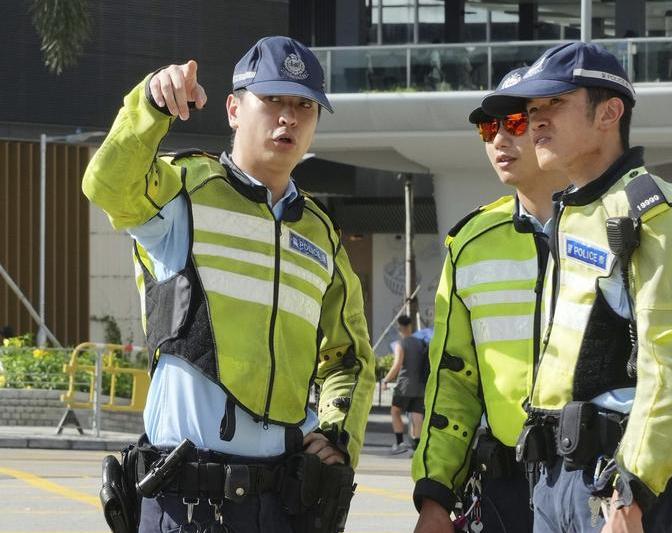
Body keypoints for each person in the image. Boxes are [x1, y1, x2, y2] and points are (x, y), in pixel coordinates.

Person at [83, 36, 375, 532]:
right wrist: (151, 103)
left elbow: (350, 356)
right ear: (234, 108)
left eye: (305, 105)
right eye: (274, 100)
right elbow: (107, 185)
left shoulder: (321, 233)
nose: (289, 117)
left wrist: (338, 433)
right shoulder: (184, 192)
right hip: (186, 501)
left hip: (285, 503)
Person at [482, 42, 672, 533]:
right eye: (533, 109)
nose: (537, 120)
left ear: (610, 112)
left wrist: (632, 489)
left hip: (616, 482)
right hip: (556, 477)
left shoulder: (653, 213)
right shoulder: (572, 210)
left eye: (555, 104)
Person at [411, 67, 568, 533]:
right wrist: (435, 498)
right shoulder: (470, 244)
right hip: (506, 491)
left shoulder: (620, 227)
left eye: (515, 123)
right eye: (488, 127)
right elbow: (453, 382)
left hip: (598, 487)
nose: (500, 138)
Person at [383, 314, 426, 453]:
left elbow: (397, 365)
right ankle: (417, 447)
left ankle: (400, 443)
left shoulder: (401, 344)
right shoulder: (420, 343)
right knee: (417, 414)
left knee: (395, 411)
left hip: (404, 385)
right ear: (410, 326)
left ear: (400, 328)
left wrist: (386, 380)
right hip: (420, 386)